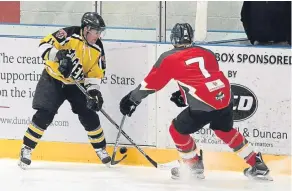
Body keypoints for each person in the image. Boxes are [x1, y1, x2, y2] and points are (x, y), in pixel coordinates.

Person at [119, 23, 272, 181]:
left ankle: (193, 166)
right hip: (225, 97)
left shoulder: (168, 57)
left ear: (173, 38)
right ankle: (257, 165)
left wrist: (132, 99)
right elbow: (203, 77)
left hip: (203, 104)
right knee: (224, 130)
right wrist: (184, 95)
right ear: (191, 37)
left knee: (176, 130)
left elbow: (151, 84)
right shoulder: (207, 52)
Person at [18, 12, 111, 169]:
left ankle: (100, 149)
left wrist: (94, 92)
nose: (98, 35)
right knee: (44, 113)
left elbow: (95, 75)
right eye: (96, 31)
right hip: (53, 79)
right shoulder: (67, 34)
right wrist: (58, 55)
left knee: (89, 114)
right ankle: (26, 149)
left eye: (100, 32)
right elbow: (43, 45)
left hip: (77, 84)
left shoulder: (98, 48)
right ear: (86, 29)